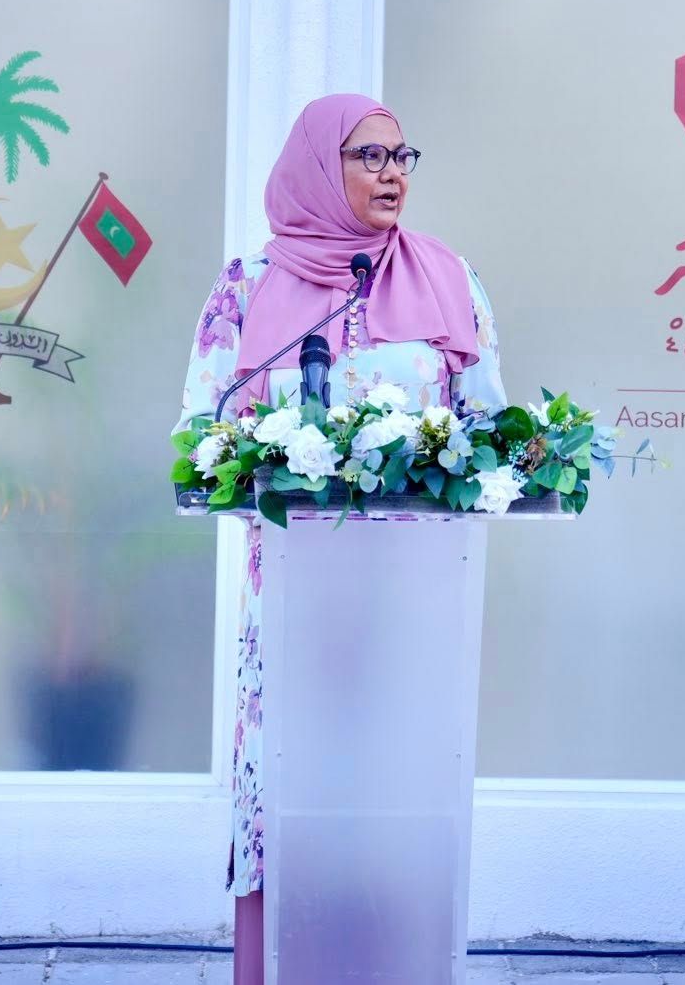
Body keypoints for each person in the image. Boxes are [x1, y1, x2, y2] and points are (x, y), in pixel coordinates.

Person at [175, 93, 507, 983]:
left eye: (402, 156)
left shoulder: (450, 278)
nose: (393, 174)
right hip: (295, 597)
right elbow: (201, 435)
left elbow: (491, 427)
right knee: (301, 776)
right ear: (322, 167)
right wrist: (258, 458)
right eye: (369, 156)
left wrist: (473, 456)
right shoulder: (248, 286)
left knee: (395, 778)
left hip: (414, 596)